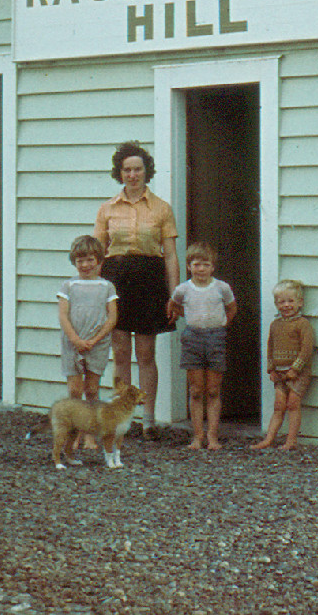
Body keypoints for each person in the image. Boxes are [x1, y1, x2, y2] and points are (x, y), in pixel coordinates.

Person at [94, 141, 180, 438]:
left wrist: (174, 295)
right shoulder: (107, 209)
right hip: (116, 279)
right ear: (119, 173)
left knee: (145, 353)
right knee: (120, 352)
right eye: (127, 170)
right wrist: (96, 292)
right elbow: (97, 253)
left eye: (138, 169)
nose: (132, 175)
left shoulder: (161, 208)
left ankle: (149, 420)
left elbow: (170, 256)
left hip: (148, 280)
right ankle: (122, 418)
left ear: (147, 171)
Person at [165, 242, 238, 449]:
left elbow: (232, 308)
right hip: (192, 338)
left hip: (216, 338)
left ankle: (212, 436)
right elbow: (173, 305)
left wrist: (222, 324)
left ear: (212, 267)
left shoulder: (222, 288)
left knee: (213, 390)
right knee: (196, 390)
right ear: (189, 266)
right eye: (196, 264)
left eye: (206, 265)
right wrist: (186, 315)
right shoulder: (183, 289)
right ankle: (197, 436)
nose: (201, 269)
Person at [56, 234, 118, 457]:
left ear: (99, 260)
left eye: (90, 260)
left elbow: (112, 318)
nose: (85, 265)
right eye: (80, 260)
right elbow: (63, 316)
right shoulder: (68, 285)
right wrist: (76, 339)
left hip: (97, 344)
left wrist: (95, 339)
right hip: (73, 343)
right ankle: (74, 435)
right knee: (75, 390)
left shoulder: (107, 287)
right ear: (74, 261)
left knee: (92, 390)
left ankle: (90, 435)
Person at [250, 279, 315, 451]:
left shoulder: (303, 324)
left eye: (290, 301)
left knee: (293, 404)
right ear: (276, 304)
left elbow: (307, 349)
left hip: (298, 373)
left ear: (300, 302)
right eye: (281, 302)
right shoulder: (275, 325)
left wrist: (295, 369)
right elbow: (270, 347)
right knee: (279, 406)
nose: (286, 305)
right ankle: (268, 439)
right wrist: (271, 369)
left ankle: (291, 440)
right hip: (279, 373)